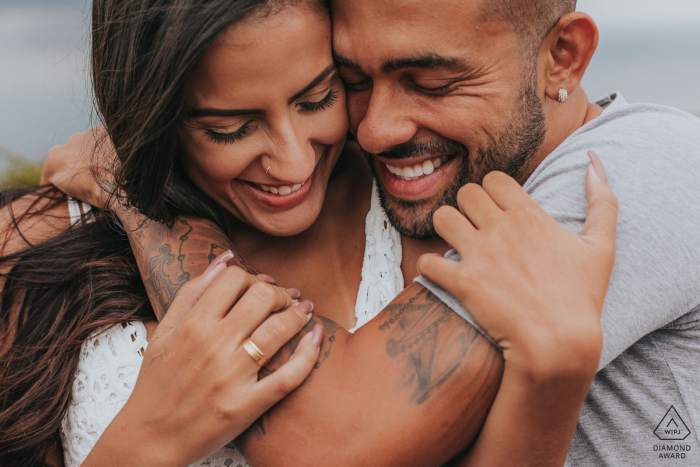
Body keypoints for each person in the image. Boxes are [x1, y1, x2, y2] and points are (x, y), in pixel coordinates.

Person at [49, 0, 700, 465]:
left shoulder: (630, 173)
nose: (376, 130)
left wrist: (134, 196)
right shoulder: (430, 194)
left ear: (563, 57)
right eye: (354, 81)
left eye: (432, 82)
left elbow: (328, 438)